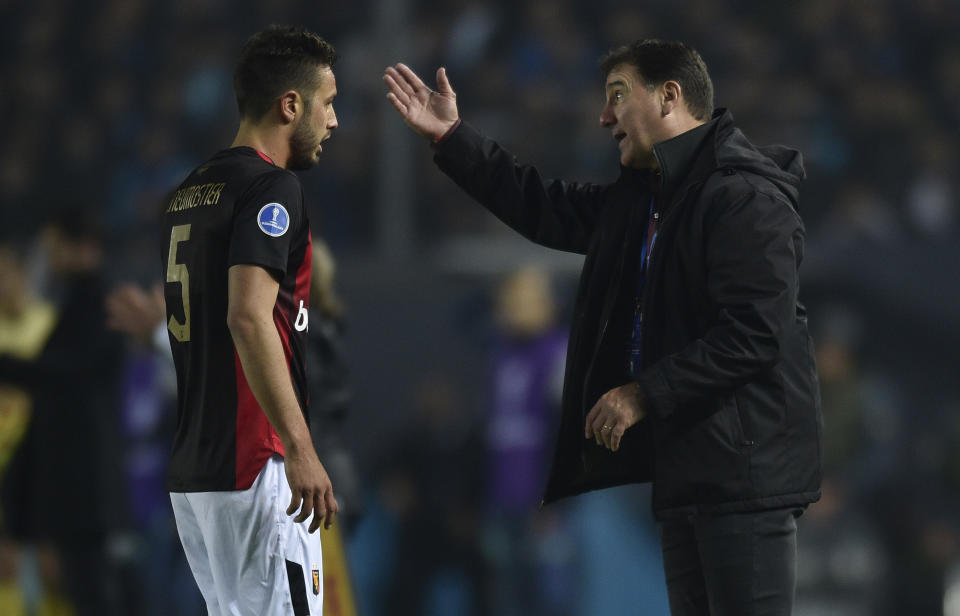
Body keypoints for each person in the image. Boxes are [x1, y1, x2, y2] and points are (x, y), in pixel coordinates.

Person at [384, 39, 822, 615]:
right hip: (689, 472)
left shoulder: (744, 198)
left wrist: (644, 393)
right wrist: (452, 138)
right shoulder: (650, 203)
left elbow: (754, 335)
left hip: (746, 479)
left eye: (618, 95)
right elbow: (543, 206)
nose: (604, 116)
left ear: (670, 97)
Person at [160, 26, 339, 616]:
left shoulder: (191, 190)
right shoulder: (272, 187)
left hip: (195, 469)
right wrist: (299, 447)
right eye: (328, 103)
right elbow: (247, 317)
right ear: (291, 105)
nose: (334, 121)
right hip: (254, 464)